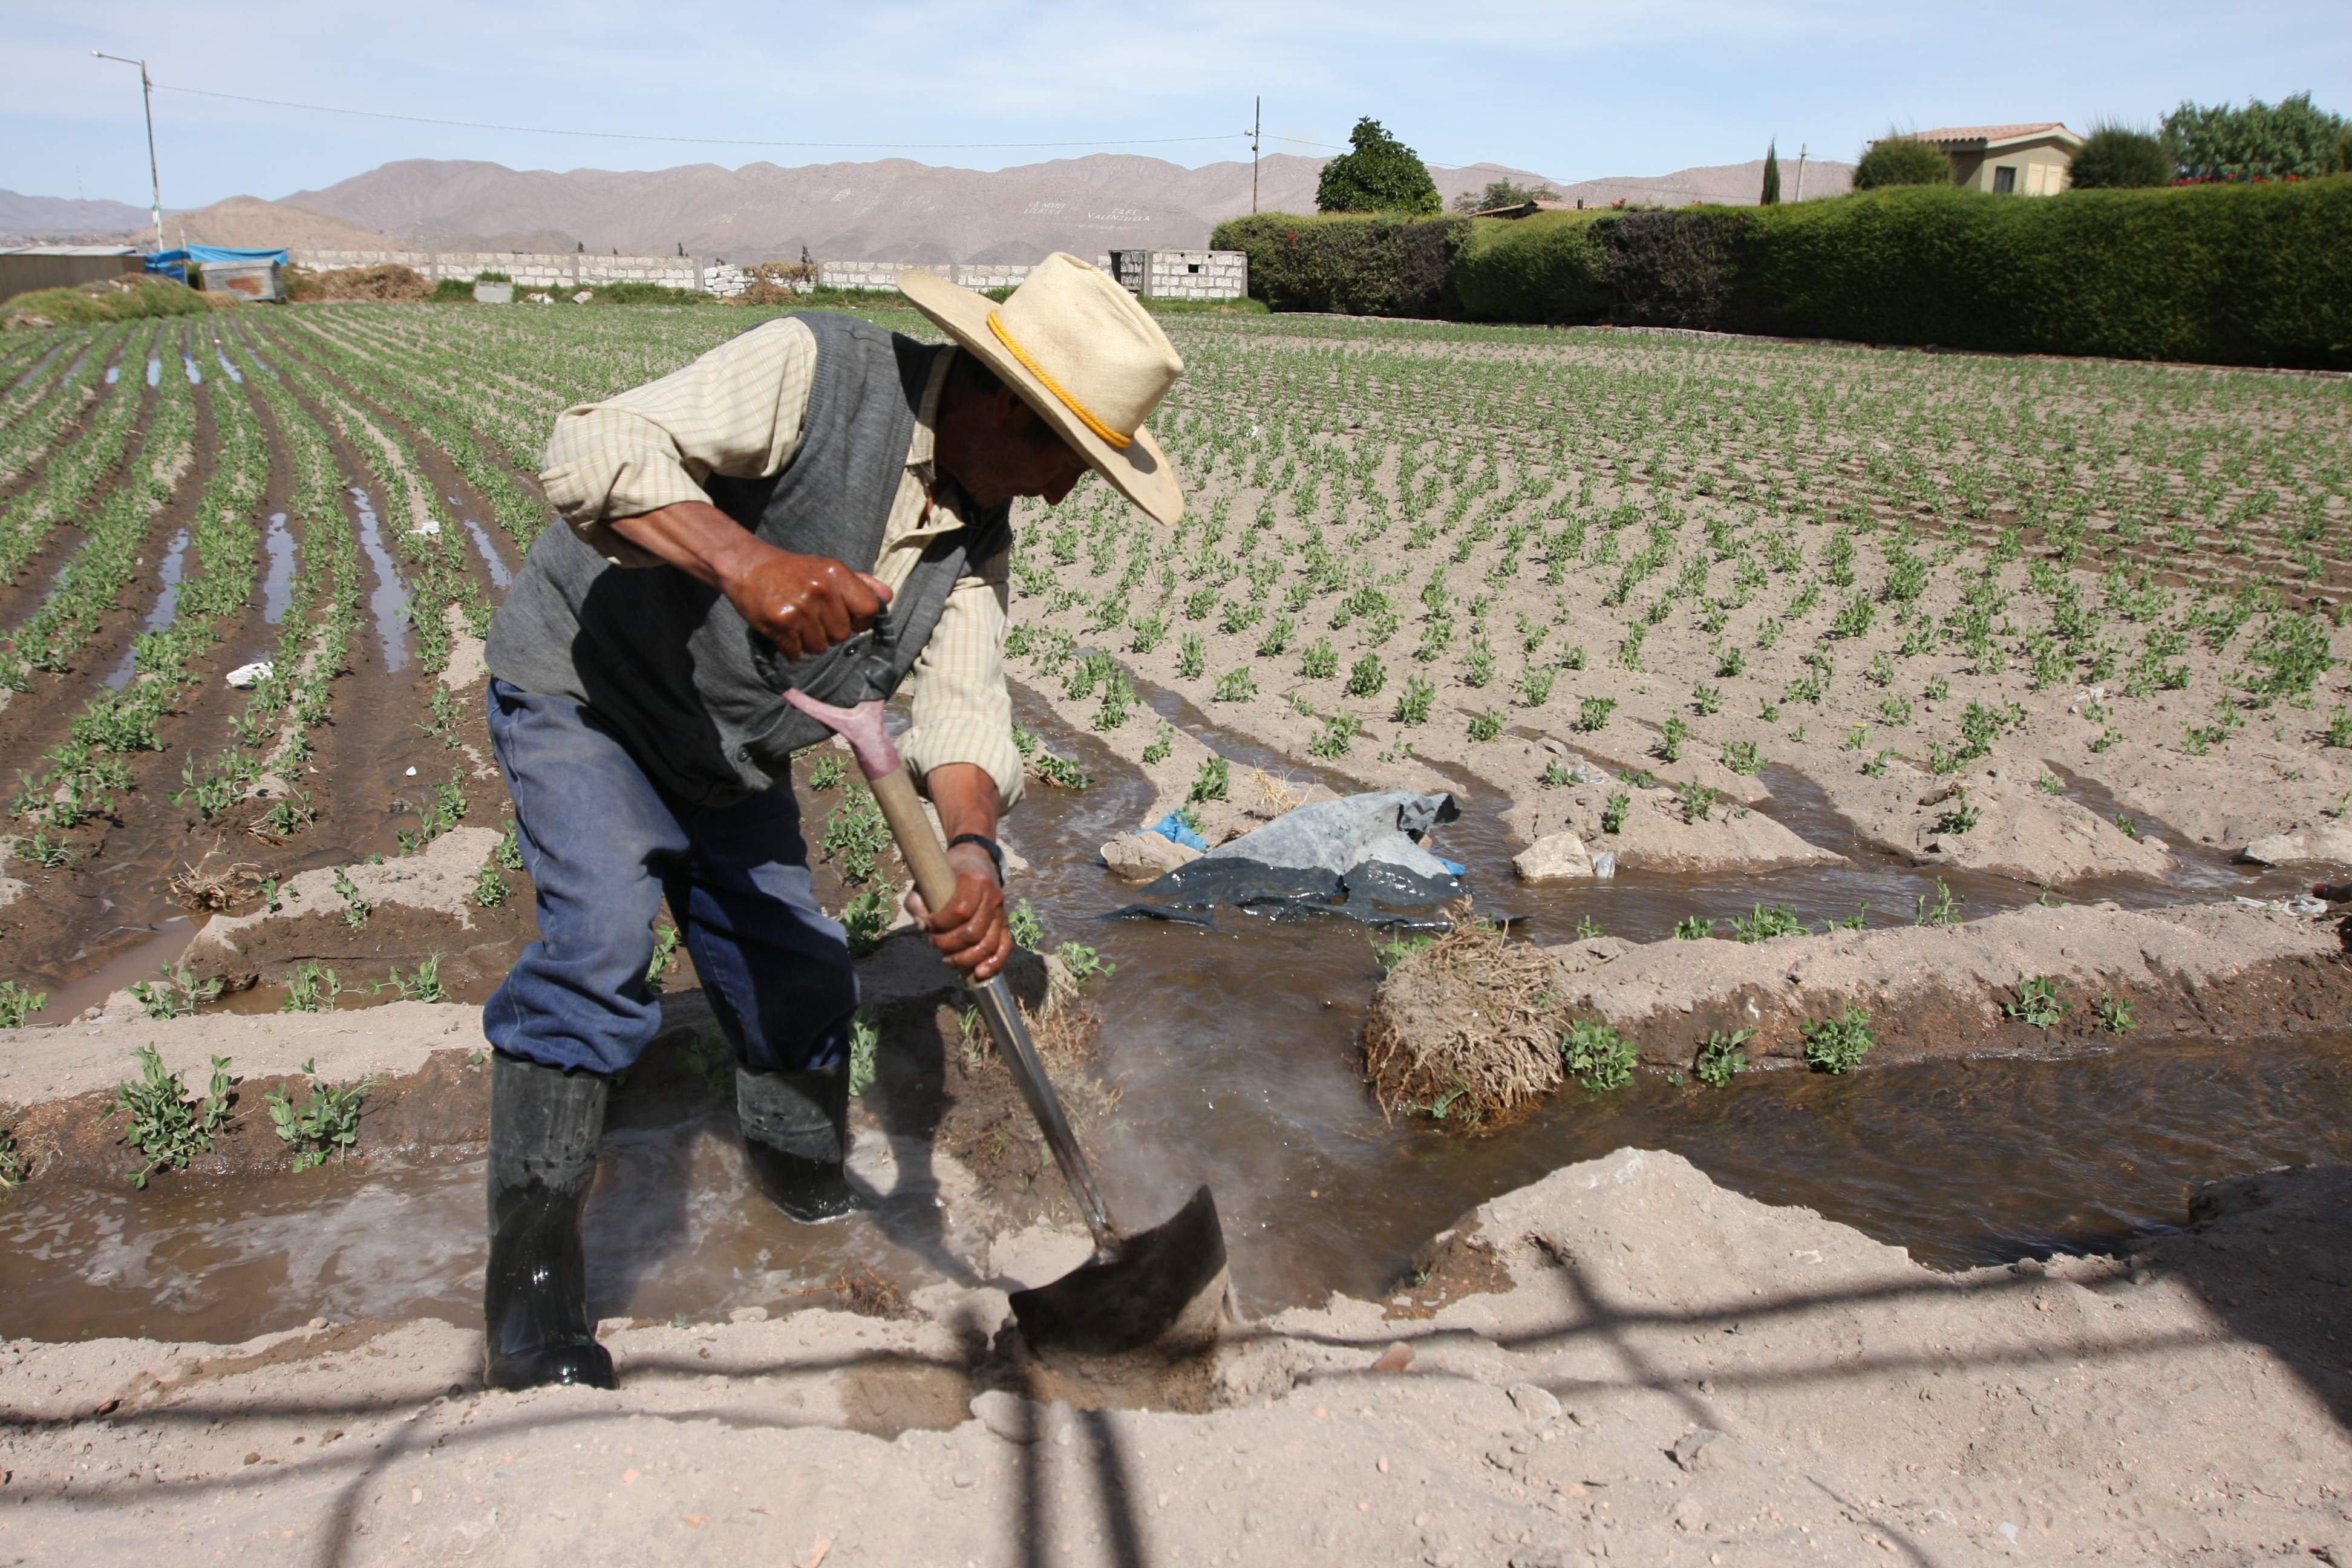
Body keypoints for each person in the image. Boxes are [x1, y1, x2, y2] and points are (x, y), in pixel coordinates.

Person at [475, 254, 1187, 1391]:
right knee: (602, 940)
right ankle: (536, 1274)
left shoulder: (975, 542)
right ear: (1006, 402)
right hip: (591, 698)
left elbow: (963, 709)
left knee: (799, 972)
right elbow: (590, 446)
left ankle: (796, 1171)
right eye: (1067, 460)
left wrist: (969, 852)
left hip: (731, 746)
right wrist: (745, 561)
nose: (1060, 494)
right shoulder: (815, 370)